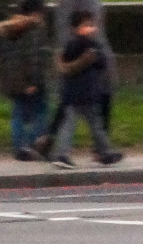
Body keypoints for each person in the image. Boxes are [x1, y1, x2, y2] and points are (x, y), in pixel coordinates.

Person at [34, 0, 115, 157]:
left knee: (69, 101)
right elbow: (93, 25)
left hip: (65, 52)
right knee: (101, 96)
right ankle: (101, 148)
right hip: (87, 53)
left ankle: (50, 141)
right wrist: (100, 54)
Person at [50, 10, 121, 168]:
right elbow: (99, 62)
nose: (91, 28)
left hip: (80, 93)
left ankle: (104, 152)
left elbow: (101, 62)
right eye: (86, 25)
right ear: (75, 28)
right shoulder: (80, 44)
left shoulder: (82, 44)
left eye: (91, 25)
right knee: (84, 125)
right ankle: (63, 154)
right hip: (83, 93)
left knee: (91, 125)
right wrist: (90, 52)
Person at [0, 0, 49, 161]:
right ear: (36, 13)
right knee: (41, 112)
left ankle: (19, 147)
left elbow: (5, 58)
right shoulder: (34, 29)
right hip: (30, 80)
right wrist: (33, 81)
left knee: (18, 114)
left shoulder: (10, 29)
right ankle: (34, 143)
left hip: (14, 81)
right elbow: (34, 57)